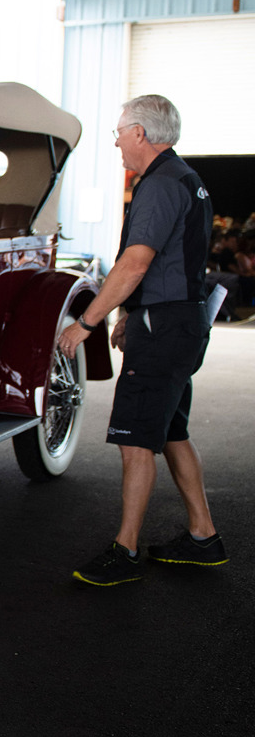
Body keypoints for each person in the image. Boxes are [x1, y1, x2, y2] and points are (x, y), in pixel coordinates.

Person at [59, 94, 226, 586]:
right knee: (171, 432)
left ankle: (126, 551)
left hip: (166, 328)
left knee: (136, 442)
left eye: (118, 132)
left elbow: (136, 262)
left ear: (140, 134)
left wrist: (86, 321)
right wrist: (134, 313)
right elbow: (172, 263)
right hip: (182, 321)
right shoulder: (186, 180)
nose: (115, 142)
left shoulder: (158, 185)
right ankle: (203, 536)